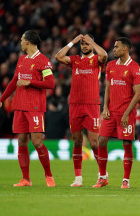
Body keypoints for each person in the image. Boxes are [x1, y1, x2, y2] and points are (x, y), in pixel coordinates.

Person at [0, 30, 56, 187]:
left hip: (35, 107)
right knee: (21, 141)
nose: (20, 43)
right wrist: (1, 100)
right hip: (20, 106)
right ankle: (26, 179)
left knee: (37, 142)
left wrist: (30, 82)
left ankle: (49, 176)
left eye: (22, 40)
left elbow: (50, 83)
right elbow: (15, 81)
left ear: (28, 42)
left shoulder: (43, 60)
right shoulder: (21, 60)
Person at [55, 34, 108, 187]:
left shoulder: (97, 60)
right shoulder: (75, 60)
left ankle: (102, 175)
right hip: (75, 104)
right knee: (77, 141)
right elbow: (59, 56)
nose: (84, 46)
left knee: (93, 142)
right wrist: (73, 42)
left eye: (87, 44)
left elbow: (104, 55)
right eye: (83, 44)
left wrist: (93, 41)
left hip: (92, 104)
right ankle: (78, 178)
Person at [93, 37, 140, 188]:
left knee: (127, 144)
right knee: (101, 140)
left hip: (126, 113)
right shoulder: (110, 65)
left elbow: (138, 93)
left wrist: (127, 113)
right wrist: (105, 108)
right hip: (111, 112)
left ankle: (126, 179)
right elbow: (108, 88)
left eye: (116, 47)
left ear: (125, 49)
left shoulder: (134, 67)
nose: (113, 49)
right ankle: (102, 177)